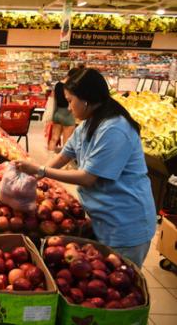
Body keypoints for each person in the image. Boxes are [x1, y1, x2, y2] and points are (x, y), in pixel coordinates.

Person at [15, 68, 156, 268]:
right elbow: (64, 156)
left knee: (120, 282)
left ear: (86, 100)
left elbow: (88, 177)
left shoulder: (114, 128)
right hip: (103, 217)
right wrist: (30, 180)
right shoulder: (87, 125)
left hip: (125, 221)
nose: (69, 107)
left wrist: (40, 171)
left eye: (71, 100)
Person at [48, 68, 78, 151]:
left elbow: (53, 98)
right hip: (67, 115)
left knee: (54, 138)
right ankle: (64, 164)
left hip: (57, 113)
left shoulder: (58, 84)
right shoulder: (71, 86)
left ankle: (49, 159)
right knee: (67, 142)